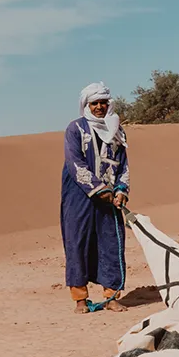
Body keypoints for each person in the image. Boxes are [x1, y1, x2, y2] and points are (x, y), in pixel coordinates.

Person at [61, 82, 130, 314]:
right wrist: (99, 188)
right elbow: (75, 163)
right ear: (86, 105)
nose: (100, 107)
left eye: (103, 102)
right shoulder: (75, 129)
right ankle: (80, 298)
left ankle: (111, 296)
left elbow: (124, 165)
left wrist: (121, 189)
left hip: (109, 200)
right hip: (79, 196)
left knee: (111, 243)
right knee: (78, 243)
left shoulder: (117, 131)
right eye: (95, 103)